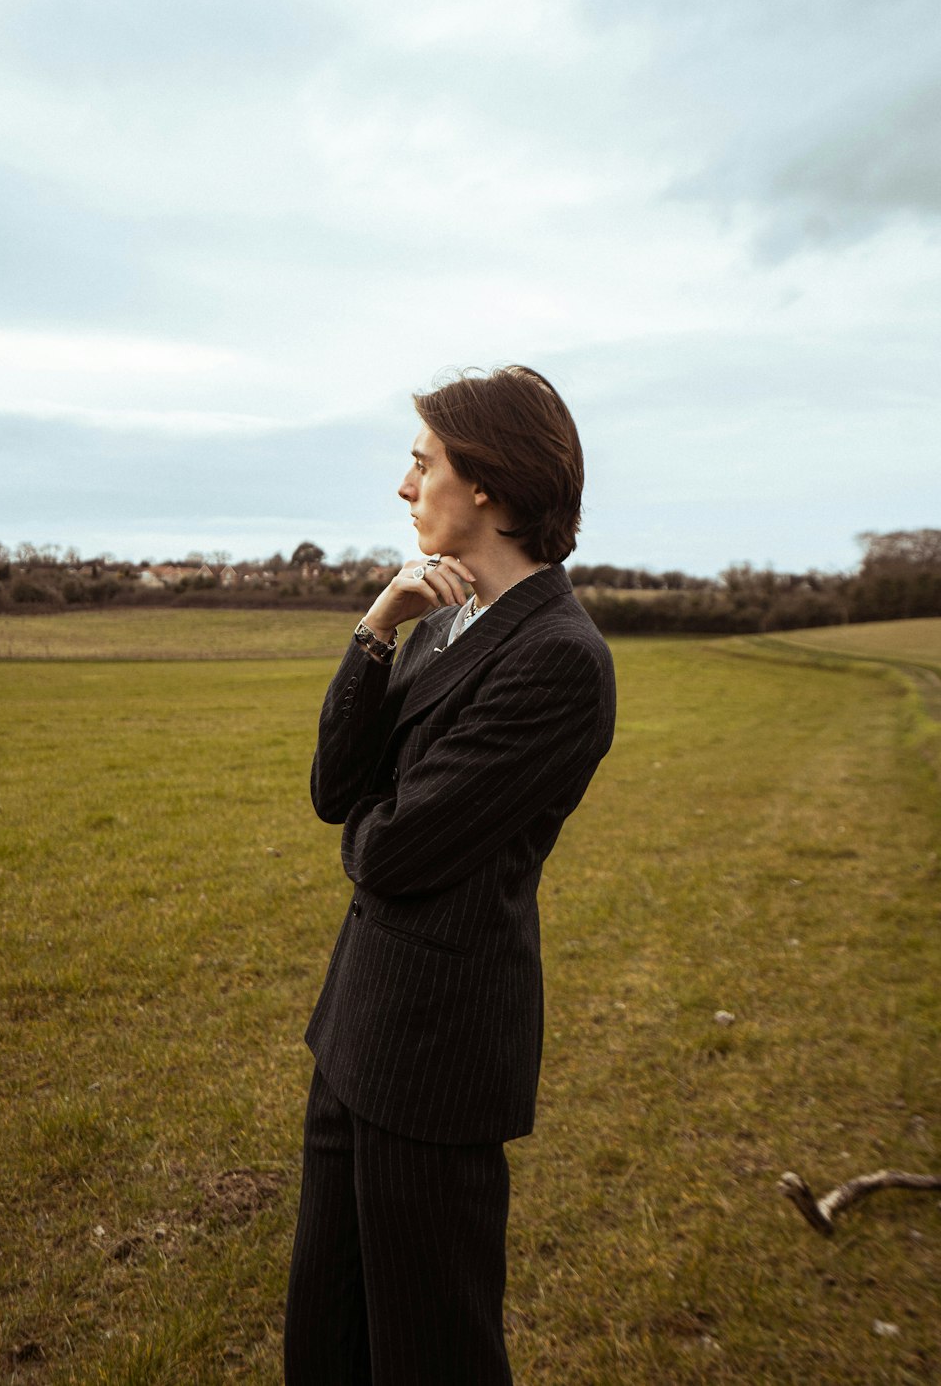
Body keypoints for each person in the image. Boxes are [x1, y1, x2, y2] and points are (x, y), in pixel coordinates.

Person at [284, 364, 616, 1385]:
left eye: (421, 461)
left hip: (436, 1057)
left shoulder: (558, 657)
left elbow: (389, 852)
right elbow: (338, 792)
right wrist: (375, 629)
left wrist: (375, 833)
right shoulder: (440, 618)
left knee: (432, 1351)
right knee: (326, 1336)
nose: (403, 484)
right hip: (358, 1026)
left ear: (488, 483)